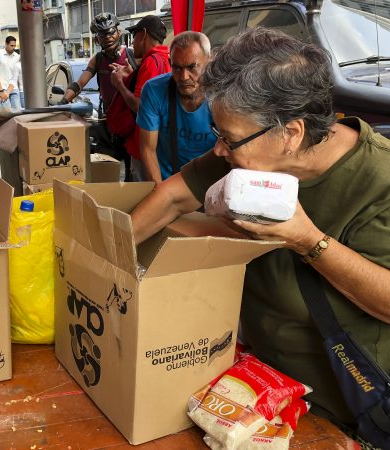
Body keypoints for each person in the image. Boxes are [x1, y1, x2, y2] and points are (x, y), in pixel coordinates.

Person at [131, 27, 390, 438]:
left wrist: (309, 241)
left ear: (291, 133)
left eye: (228, 139)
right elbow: (172, 198)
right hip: (255, 386)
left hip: (341, 412)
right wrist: (107, 259)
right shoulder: (247, 153)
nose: (218, 150)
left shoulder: (379, 179)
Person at [61, 12, 136, 179]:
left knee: (132, 173)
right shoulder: (98, 59)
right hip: (109, 123)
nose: (108, 37)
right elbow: (79, 84)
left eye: (111, 32)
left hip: (131, 122)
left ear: (119, 33)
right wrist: (64, 102)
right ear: (97, 39)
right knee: (105, 171)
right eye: (102, 34)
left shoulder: (130, 55)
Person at [136, 31, 217, 184]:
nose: (184, 77)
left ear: (209, 61)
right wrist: (159, 193)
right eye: (177, 68)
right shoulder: (154, 90)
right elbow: (148, 149)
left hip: (212, 183)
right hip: (168, 181)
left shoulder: (223, 93)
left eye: (192, 67)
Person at [109, 15, 171, 181]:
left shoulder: (151, 62)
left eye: (134, 36)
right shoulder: (165, 58)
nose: (132, 43)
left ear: (143, 34)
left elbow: (140, 106)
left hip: (144, 145)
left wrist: (119, 84)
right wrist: (131, 75)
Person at [0, 36, 21, 110]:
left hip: (14, 88)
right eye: (11, 45)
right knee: (7, 113)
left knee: (17, 112)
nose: (13, 47)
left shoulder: (17, 57)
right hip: (2, 88)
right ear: (6, 44)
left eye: (14, 46)